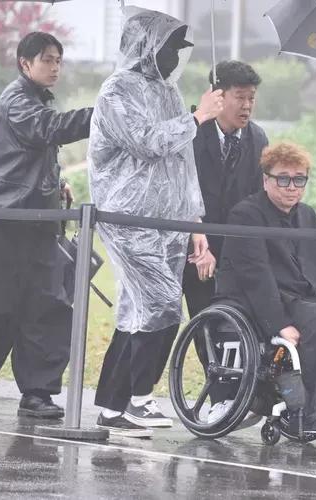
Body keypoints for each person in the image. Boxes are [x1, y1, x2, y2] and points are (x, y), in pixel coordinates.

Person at [0, 32, 93, 418]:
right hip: (0, 218)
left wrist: (56, 182)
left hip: (37, 221)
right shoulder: (17, 100)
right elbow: (49, 129)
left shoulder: (37, 99)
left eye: (58, 60)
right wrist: (105, 113)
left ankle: (37, 393)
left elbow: (35, 150)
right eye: (47, 60)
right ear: (25, 64)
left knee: (48, 306)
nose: (55, 67)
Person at [88, 9, 223, 437]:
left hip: (169, 221)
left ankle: (112, 408)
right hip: (128, 218)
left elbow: (184, 163)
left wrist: (195, 222)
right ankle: (139, 399)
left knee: (136, 310)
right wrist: (198, 117)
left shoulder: (168, 92)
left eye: (179, 49)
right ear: (146, 47)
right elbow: (146, 142)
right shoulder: (116, 91)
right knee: (164, 303)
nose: (175, 57)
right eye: (169, 48)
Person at [216, 142, 316, 433]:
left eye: (299, 180)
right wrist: (280, 324)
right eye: (283, 179)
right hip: (260, 302)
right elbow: (255, 277)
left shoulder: (308, 217)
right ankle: (306, 412)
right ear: (266, 180)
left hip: (303, 301)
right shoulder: (246, 215)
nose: (292, 187)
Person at [182, 60, 269, 422]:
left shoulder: (258, 139)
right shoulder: (190, 133)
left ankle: (246, 396)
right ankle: (219, 396)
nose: (247, 106)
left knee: (239, 324)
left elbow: (256, 200)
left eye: (251, 98)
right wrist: (198, 241)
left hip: (237, 248)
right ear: (218, 96)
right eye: (239, 97)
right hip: (192, 246)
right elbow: (181, 192)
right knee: (205, 322)